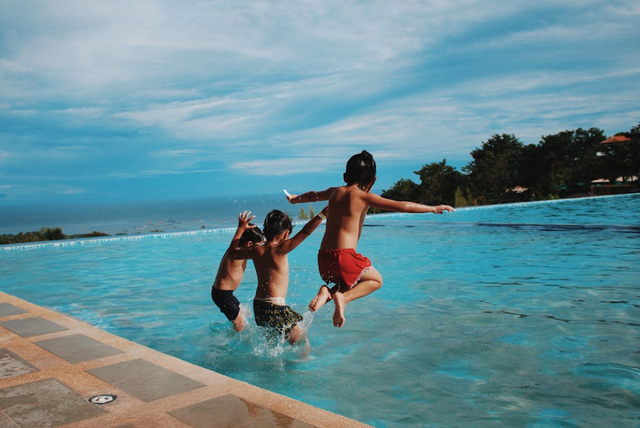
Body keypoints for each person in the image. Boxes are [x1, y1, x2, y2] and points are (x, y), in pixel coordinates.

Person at [286, 150, 455, 328]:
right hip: (344, 257)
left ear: (345, 175)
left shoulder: (334, 192)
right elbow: (402, 206)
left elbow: (312, 195)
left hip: (324, 258)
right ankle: (342, 298)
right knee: (375, 280)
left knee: (349, 281)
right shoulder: (364, 197)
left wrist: (294, 199)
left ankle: (327, 292)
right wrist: (433, 208)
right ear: (372, 180)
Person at [233, 208, 327, 344]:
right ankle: (300, 362)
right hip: (275, 306)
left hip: (259, 306)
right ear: (286, 232)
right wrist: (322, 214)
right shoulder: (281, 249)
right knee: (300, 340)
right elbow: (306, 232)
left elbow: (233, 252)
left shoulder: (255, 250)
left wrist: (240, 229)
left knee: (271, 342)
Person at [211, 211, 265, 332]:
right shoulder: (235, 253)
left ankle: (231, 335)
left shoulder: (240, 250)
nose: (260, 248)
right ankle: (230, 345)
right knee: (240, 325)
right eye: (258, 245)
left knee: (245, 315)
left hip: (226, 294)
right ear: (249, 244)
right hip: (222, 294)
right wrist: (240, 229)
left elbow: (240, 241)